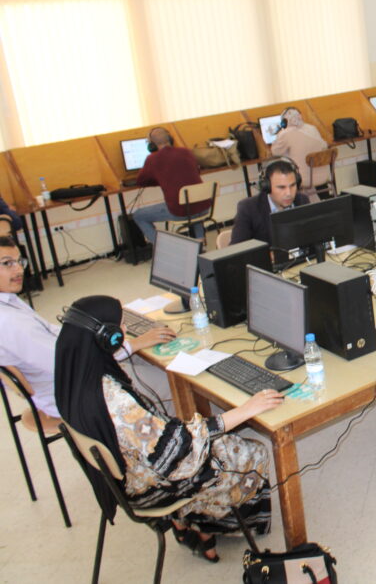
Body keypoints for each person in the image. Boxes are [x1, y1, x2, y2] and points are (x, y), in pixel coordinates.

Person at [55, 295, 282, 562]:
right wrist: (244, 410)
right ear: (107, 337)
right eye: (121, 327)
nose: (124, 330)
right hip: (152, 488)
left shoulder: (72, 375)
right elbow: (177, 450)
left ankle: (190, 526)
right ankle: (210, 525)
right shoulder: (114, 400)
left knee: (200, 428)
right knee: (251, 451)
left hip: (126, 480)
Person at [0, 237, 175, 423]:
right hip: (79, 392)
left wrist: (93, 335)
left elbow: (53, 332)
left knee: (152, 361)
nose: (19, 269)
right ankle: (181, 434)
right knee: (173, 384)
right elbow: (73, 364)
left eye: (19, 261)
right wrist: (131, 344)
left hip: (67, 382)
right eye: (7, 263)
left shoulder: (9, 301)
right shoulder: (9, 321)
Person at [134, 127, 210, 243]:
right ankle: (200, 242)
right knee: (192, 201)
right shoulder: (186, 152)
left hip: (180, 211)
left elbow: (140, 181)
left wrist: (160, 178)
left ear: (151, 145)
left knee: (138, 215)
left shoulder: (152, 159)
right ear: (170, 139)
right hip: (204, 207)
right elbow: (196, 171)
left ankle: (162, 248)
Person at [230, 158, 309, 262]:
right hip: (269, 268)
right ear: (266, 186)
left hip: (301, 262)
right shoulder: (248, 208)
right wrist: (265, 256)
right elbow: (236, 250)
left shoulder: (302, 200)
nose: (289, 193)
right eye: (281, 187)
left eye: (292, 185)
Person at [269, 107, 328, 201]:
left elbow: (275, 152)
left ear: (284, 121)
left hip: (303, 179)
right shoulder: (312, 128)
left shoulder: (285, 134)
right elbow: (324, 145)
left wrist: (279, 134)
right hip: (323, 176)